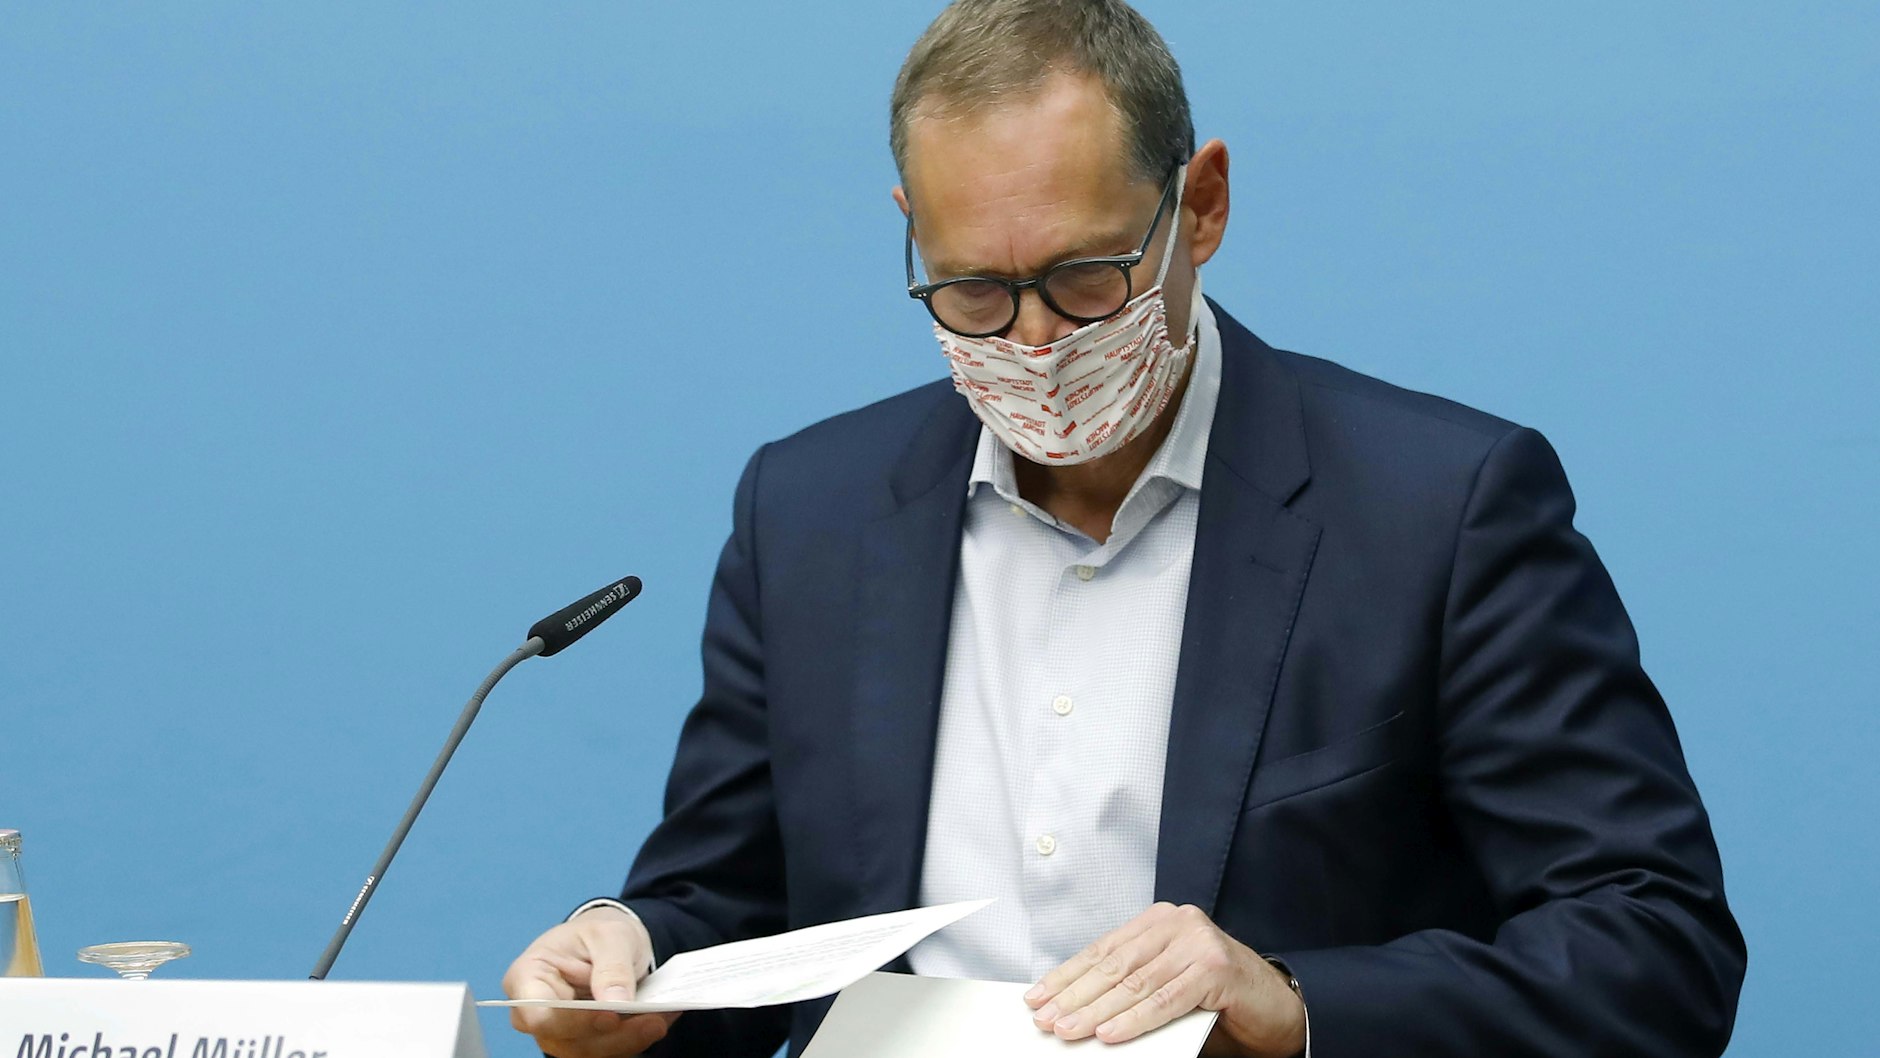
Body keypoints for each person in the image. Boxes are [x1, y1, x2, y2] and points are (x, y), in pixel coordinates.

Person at [503, 1, 1746, 1055]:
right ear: (909, 226)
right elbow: (733, 904)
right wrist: (629, 956)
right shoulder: (808, 509)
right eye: (971, 290)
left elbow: (1653, 946)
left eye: (1084, 278)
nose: (1034, 342)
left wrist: (1294, 1003)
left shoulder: (1441, 505)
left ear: (1199, 206)